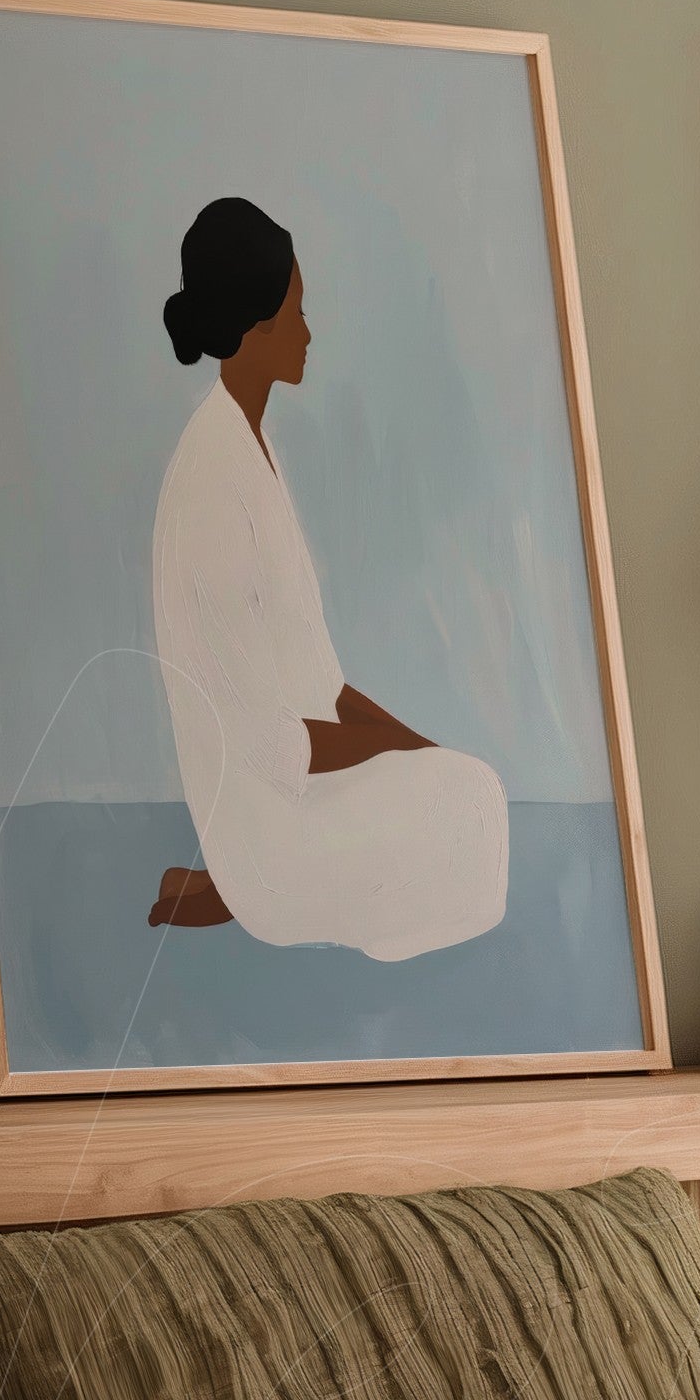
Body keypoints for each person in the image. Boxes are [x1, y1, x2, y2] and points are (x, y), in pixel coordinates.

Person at [150, 197, 508, 960]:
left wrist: (418, 749)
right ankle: (246, 891)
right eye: (296, 314)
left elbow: (325, 685)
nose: (309, 332)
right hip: (272, 814)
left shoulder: (250, 448)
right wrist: (395, 756)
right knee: (471, 807)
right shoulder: (212, 478)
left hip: (300, 785)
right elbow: (267, 742)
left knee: (469, 783)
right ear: (253, 330)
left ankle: (232, 889)